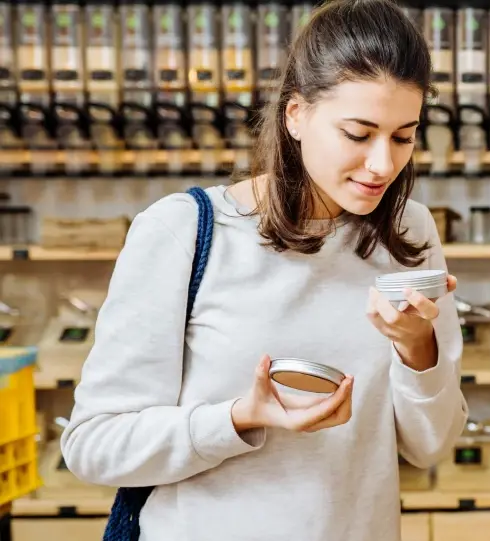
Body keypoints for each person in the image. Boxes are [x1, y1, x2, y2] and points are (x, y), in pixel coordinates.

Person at [59, 1, 467, 539]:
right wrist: (238, 418)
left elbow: (431, 446)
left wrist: (418, 350)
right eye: (357, 133)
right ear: (296, 114)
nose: (383, 165)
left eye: (402, 136)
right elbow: (93, 446)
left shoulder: (408, 232)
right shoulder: (182, 231)